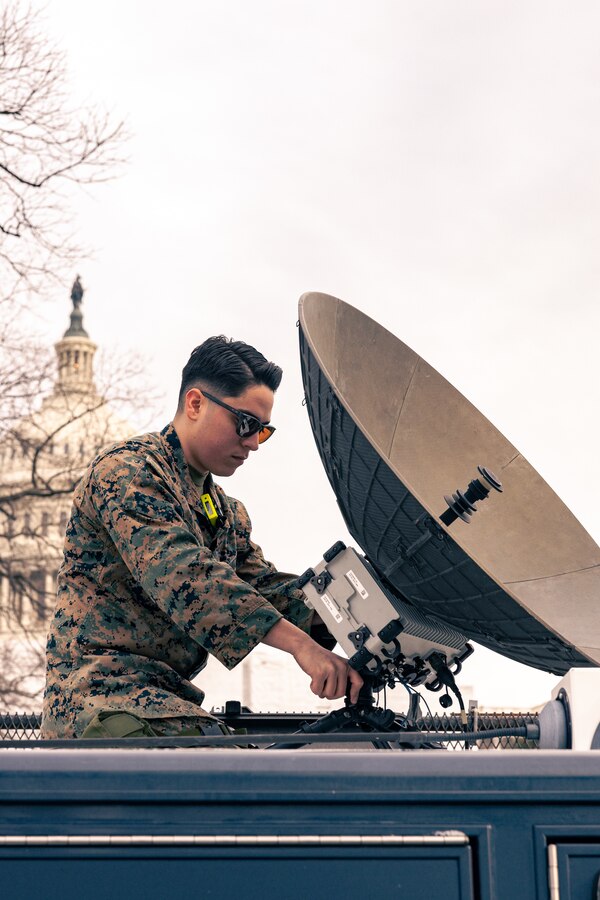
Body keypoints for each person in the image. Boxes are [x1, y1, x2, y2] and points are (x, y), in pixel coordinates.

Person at [42, 336, 363, 739]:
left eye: (262, 432)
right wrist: (301, 647)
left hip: (163, 704)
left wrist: (358, 616)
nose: (252, 443)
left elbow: (264, 589)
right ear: (195, 404)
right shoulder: (128, 473)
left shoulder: (220, 511)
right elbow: (185, 575)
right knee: (252, 785)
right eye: (246, 424)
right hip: (103, 703)